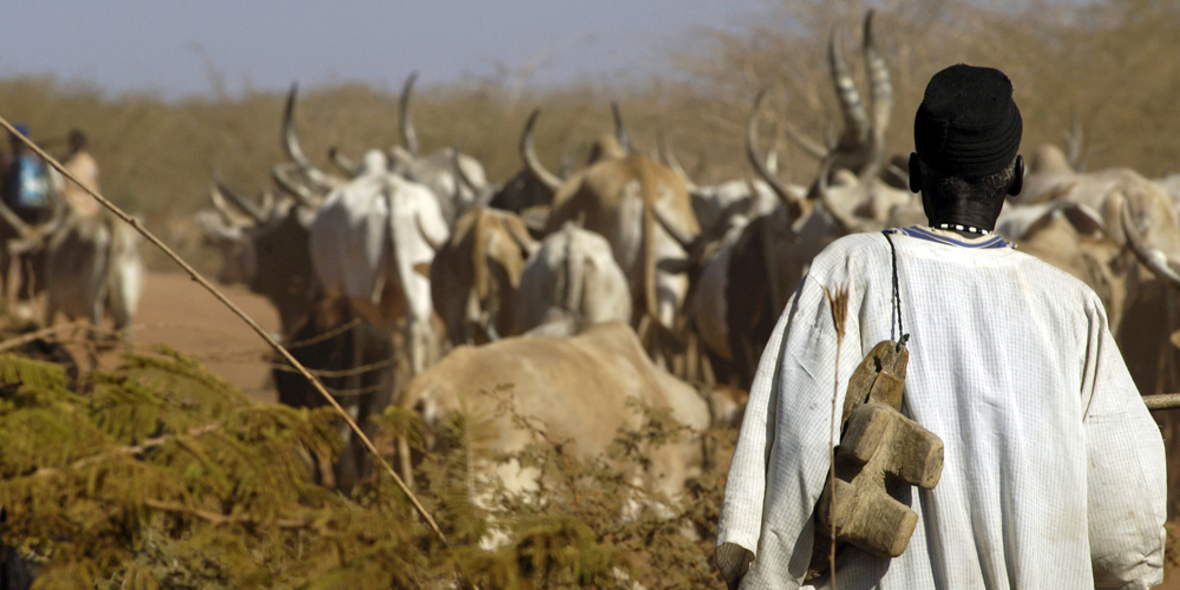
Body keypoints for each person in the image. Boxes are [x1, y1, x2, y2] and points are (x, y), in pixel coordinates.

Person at [716, 64, 1166, 589]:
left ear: (912, 172)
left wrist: (766, 578)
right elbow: (1126, 531)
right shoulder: (1073, 307)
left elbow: (797, 451)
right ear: (1017, 177)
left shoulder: (848, 272)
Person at [59, 128, 101, 217]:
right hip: (64, 205)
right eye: (73, 141)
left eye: (78, 142)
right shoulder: (63, 161)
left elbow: (90, 186)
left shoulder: (88, 163)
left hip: (83, 208)